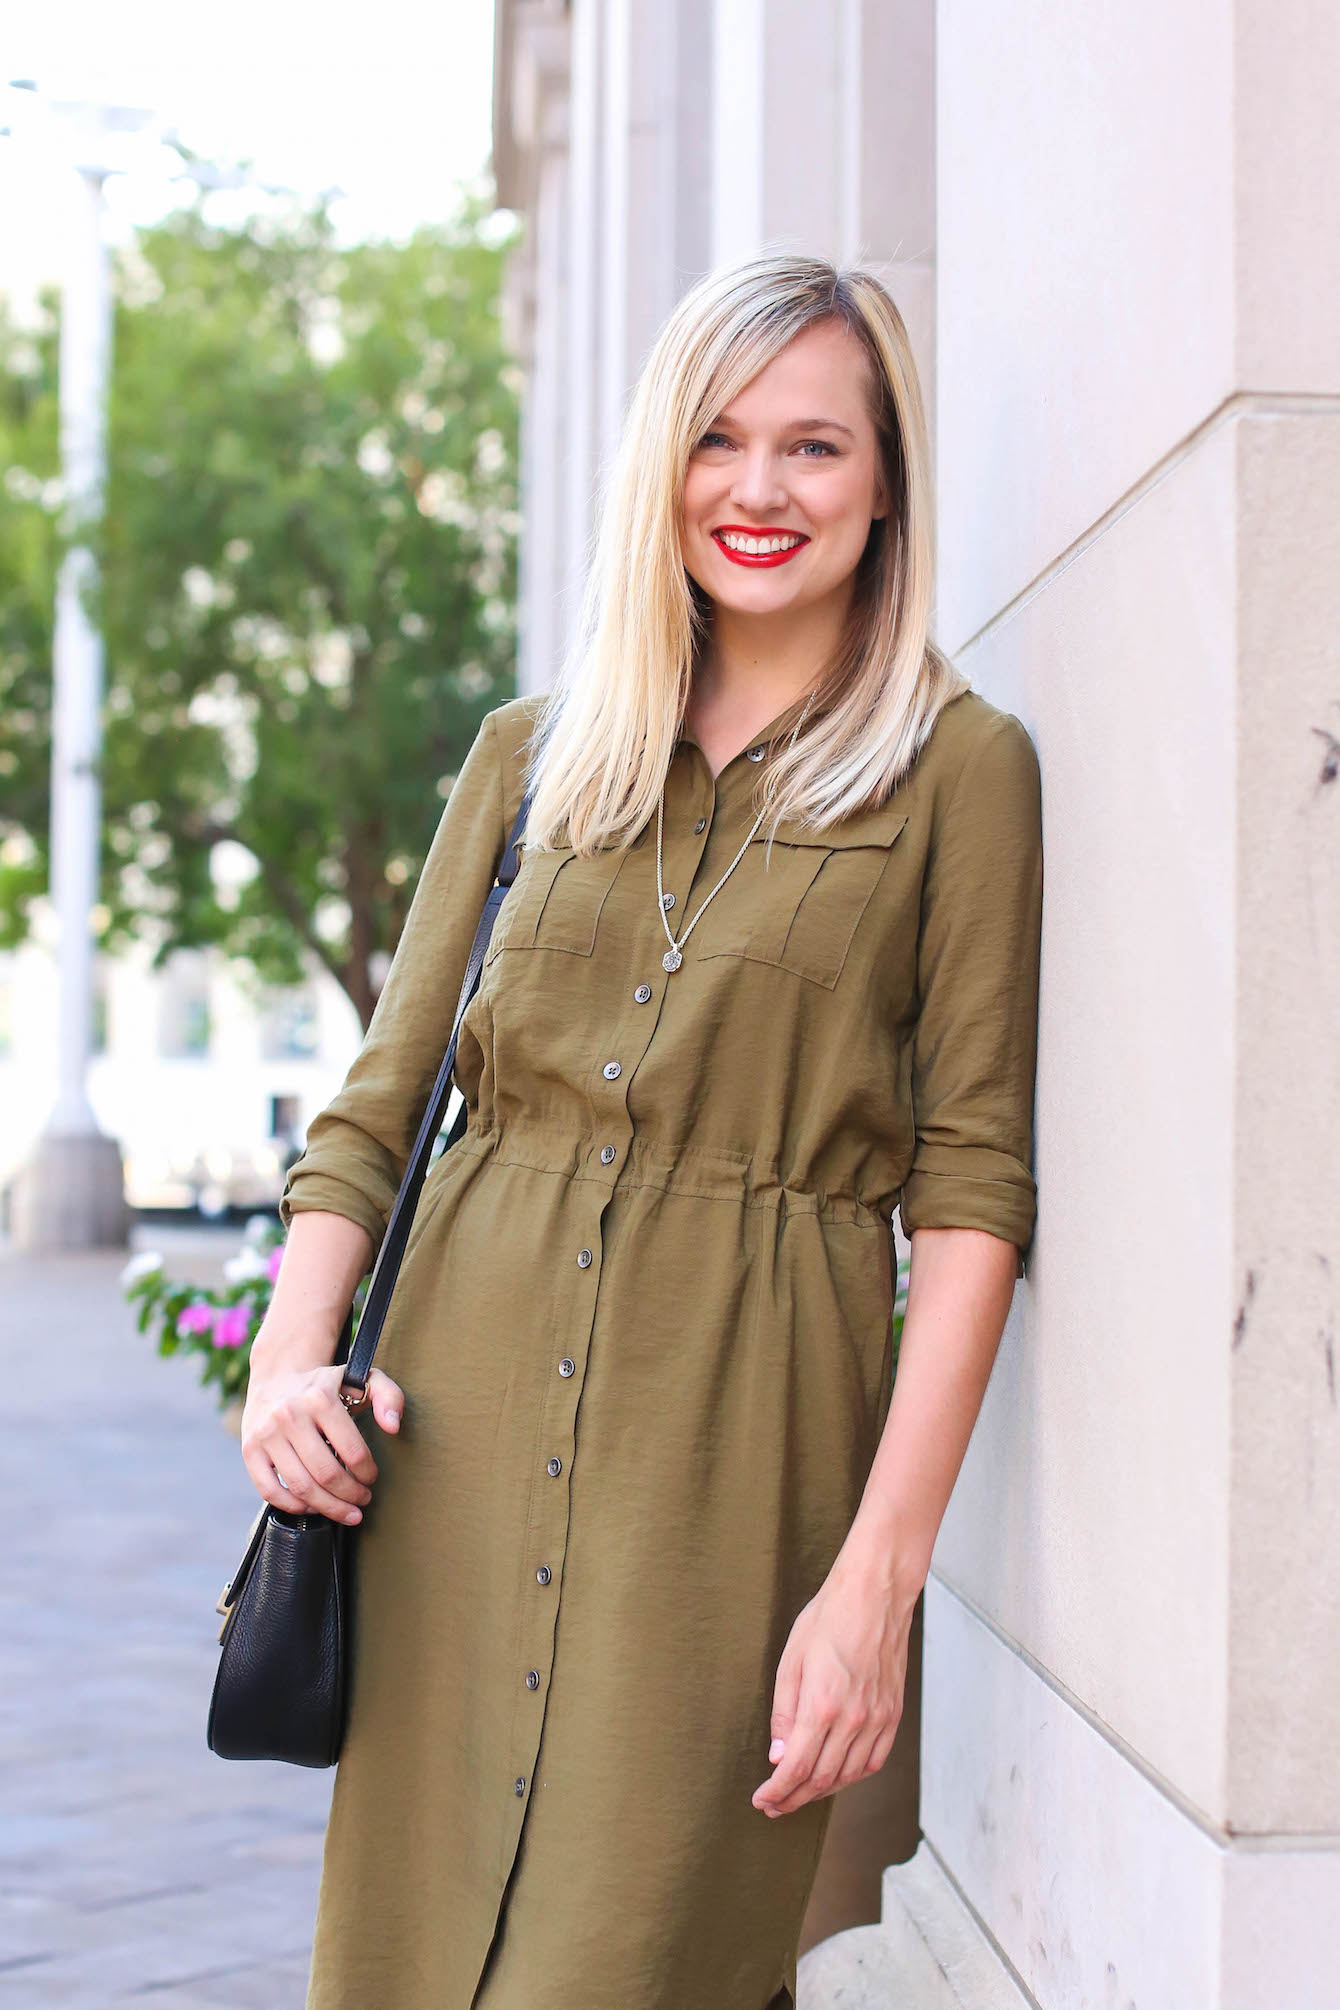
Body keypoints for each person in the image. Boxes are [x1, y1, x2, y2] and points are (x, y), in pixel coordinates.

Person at [241, 251, 1043, 2010]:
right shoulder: (535, 753)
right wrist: (289, 1365)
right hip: (448, 1465)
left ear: (887, 477)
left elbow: (973, 1190)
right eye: (721, 439)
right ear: (661, 469)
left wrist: (875, 1585)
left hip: (728, 1497)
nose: (760, 491)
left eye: (816, 447)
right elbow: (378, 1106)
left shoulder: (962, 774)